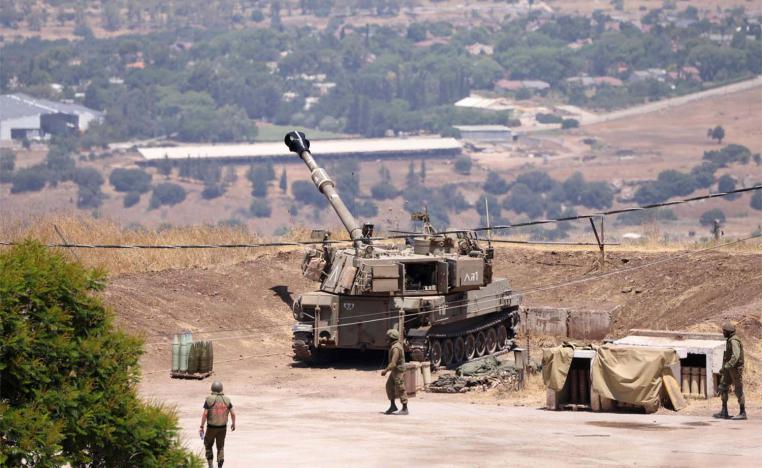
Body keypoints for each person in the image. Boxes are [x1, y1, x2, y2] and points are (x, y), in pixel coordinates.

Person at [714, 322, 746, 420]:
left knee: (738, 390)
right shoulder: (729, 340)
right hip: (729, 369)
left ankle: (742, 412)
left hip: (735, 369)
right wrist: (724, 368)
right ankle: (724, 411)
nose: (723, 333)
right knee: (723, 387)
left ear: (728, 332)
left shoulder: (734, 341)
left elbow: (735, 356)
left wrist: (728, 365)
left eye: (724, 331)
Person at [200, 381, 236, 468]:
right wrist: (233, 424)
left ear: (212, 389)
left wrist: (201, 426)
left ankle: (210, 465)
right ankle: (220, 466)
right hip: (223, 428)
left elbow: (205, 414)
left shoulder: (209, 399)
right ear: (221, 389)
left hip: (211, 428)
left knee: (208, 444)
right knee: (220, 447)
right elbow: (233, 414)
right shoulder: (227, 400)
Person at [381, 328, 408, 415]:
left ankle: (405, 408)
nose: (386, 340)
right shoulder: (394, 346)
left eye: (388, 338)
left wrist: (385, 371)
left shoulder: (396, 348)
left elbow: (393, 363)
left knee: (400, 388)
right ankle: (393, 406)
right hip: (395, 371)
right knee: (389, 386)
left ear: (391, 338)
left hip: (398, 371)